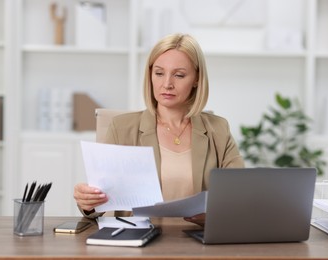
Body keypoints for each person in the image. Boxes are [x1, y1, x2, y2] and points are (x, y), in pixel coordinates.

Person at [74, 33, 244, 226]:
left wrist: (215, 213)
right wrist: (88, 202)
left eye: (179, 75)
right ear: (150, 75)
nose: (167, 84)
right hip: (139, 244)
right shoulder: (121, 128)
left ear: (196, 79)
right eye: (159, 73)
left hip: (198, 243)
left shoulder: (218, 129)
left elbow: (239, 195)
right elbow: (98, 203)